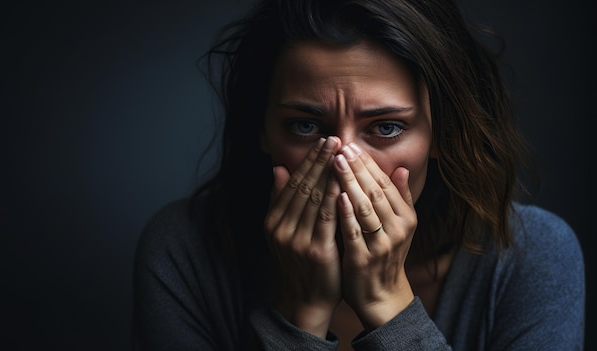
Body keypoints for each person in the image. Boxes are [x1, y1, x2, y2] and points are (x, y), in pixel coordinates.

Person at [131, 0, 585, 349]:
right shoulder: (183, 249)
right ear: (263, 128)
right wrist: (298, 317)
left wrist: (389, 304)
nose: (342, 162)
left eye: (386, 128)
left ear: (442, 134)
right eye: (306, 126)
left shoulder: (530, 257)